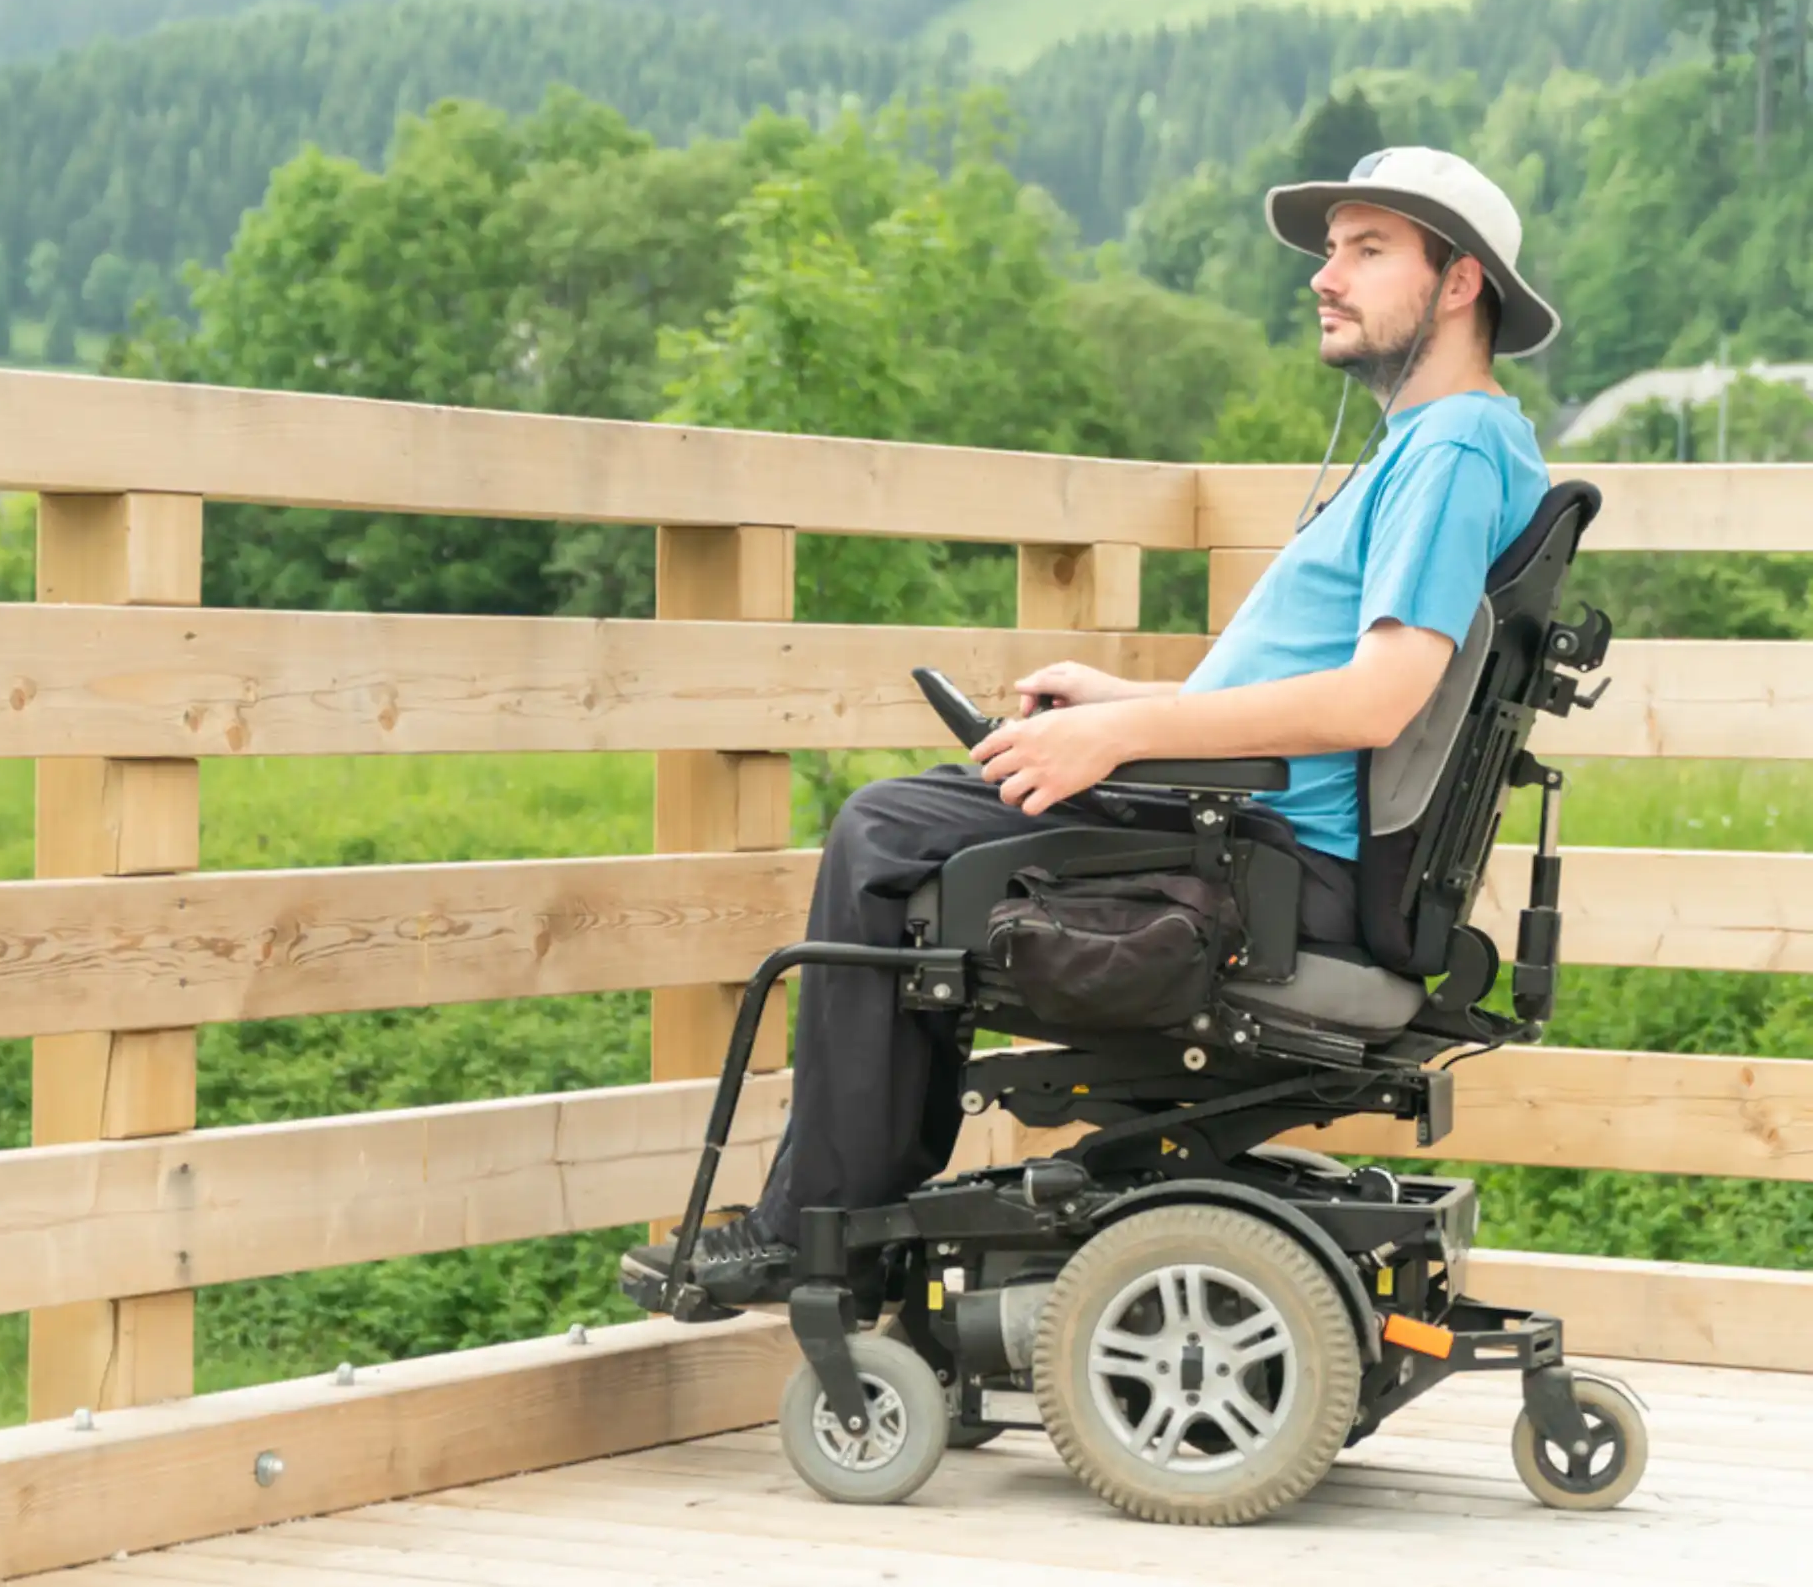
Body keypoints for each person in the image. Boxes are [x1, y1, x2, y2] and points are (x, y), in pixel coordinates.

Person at [622, 146, 1562, 1310]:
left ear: (1458, 281)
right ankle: (843, 1213)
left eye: (1367, 250)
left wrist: (1119, 743)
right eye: (1330, 250)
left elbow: (1379, 696)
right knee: (929, 817)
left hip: (1264, 851)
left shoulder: (1452, 447)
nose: (1327, 275)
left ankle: (813, 1231)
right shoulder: (1448, 446)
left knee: (885, 833)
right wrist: (1123, 705)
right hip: (1252, 821)